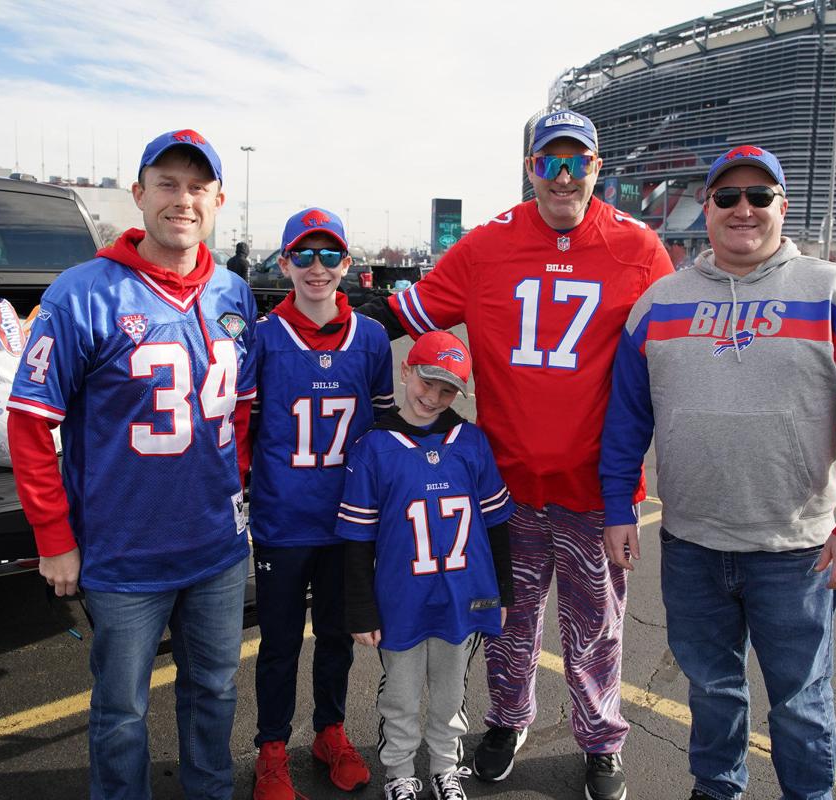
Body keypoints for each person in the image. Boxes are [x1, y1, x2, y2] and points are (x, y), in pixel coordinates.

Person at [358, 109, 674, 800]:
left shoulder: (640, 248)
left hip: (592, 488)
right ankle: (508, 719)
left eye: (577, 162)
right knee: (505, 618)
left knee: (595, 628)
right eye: (547, 162)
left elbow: (671, 360)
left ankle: (600, 740)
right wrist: (312, 322)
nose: (562, 177)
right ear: (530, 167)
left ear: (598, 167)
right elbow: (404, 316)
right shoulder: (485, 245)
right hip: (503, 489)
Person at [599, 144, 836, 800]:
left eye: (759, 197)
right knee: (710, 691)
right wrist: (619, 506)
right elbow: (626, 419)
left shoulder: (834, 293)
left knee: (799, 701)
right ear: (705, 209)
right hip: (692, 545)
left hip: (798, 551)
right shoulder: (658, 303)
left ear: (782, 208)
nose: (744, 209)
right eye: (727, 197)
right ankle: (716, 791)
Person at [7, 129, 256, 800]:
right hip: (124, 552)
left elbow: (242, 412)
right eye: (168, 184)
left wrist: (239, 494)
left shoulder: (235, 293)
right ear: (139, 193)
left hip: (216, 549)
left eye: (197, 187)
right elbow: (31, 424)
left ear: (218, 199)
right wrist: (54, 538)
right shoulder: (82, 293)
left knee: (216, 691)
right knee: (121, 711)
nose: (183, 199)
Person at [246, 207, 393, 799]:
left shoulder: (373, 338)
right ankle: (272, 747)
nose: (316, 267)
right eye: (303, 255)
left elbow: (384, 432)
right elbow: (242, 428)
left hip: (348, 524)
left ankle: (330, 730)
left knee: (338, 636)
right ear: (284, 262)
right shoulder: (262, 337)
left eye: (329, 255)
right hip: (284, 521)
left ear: (347, 266)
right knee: (279, 642)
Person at [337, 331, 516, 800]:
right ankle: (398, 770)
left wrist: (503, 592)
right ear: (406, 370)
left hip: (463, 595)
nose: (433, 397)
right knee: (399, 694)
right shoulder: (373, 446)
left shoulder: (471, 442)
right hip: (401, 599)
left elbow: (497, 524)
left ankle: (444, 764)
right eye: (427, 381)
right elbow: (357, 538)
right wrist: (360, 606)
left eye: (447, 390)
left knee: (450, 693)